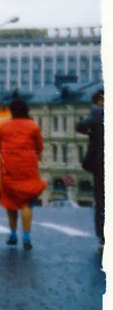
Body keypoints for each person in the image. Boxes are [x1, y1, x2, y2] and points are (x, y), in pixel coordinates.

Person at [0, 98, 46, 250]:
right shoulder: (33, 126)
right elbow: (39, 147)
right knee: (27, 202)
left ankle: (12, 234)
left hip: (9, 166)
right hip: (28, 167)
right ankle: (27, 236)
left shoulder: (4, 126)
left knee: (11, 201)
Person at [76, 88, 104, 251]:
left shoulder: (99, 112)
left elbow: (80, 126)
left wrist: (92, 131)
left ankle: (104, 239)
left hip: (102, 164)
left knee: (102, 202)